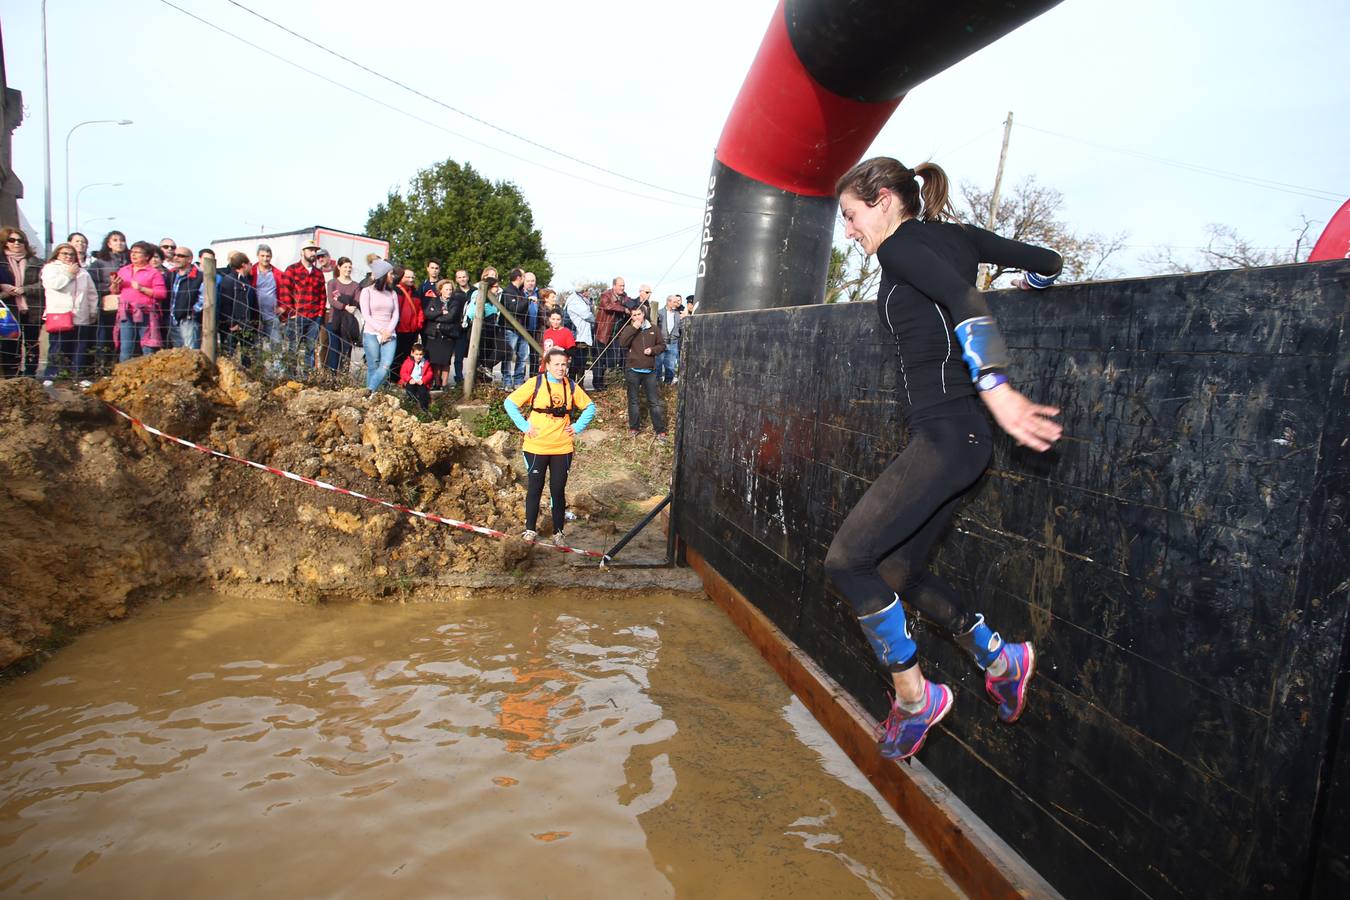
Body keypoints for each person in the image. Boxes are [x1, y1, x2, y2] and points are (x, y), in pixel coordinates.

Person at [825, 157, 1063, 761]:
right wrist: (1032, 288)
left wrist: (997, 385)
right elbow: (1049, 263)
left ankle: (914, 698)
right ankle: (1000, 658)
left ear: (882, 200)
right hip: (963, 443)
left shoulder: (898, 247)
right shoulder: (959, 238)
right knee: (900, 573)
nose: (849, 231)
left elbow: (962, 297)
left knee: (849, 562)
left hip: (946, 433)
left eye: (851, 216)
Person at [504, 348, 597, 546]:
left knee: (557, 490)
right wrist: (524, 426)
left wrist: (578, 426)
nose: (560, 368)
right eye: (556, 364)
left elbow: (590, 407)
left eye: (564, 364)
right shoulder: (535, 383)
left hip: (562, 447)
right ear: (547, 365)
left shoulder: (571, 386)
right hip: (536, 446)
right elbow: (510, 403)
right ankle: (530, 530)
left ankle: (558, 532)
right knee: (535, 488)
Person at [39, 242, 98, 384]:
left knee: (80, 347)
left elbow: (92, 293)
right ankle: (51, 376)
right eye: (65, 253)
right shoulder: (50, 268)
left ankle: (78, 376)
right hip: (60, 314)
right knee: (58, 346)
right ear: (57, 254)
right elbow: (54, 285)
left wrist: (93, 311)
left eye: (72, 254)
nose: (69, 257)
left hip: (81, 315)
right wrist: (69, 273)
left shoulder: (83, 272)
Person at [616, 305, 668, 439]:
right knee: (633, 400)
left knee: (654, 401)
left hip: (649, 370)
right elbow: (622, 343)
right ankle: (634, 428)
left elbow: (662, 345)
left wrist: (652, 350)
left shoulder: (654, 329)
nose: (636, 317)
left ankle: (660, 431)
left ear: (644, 314)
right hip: (632, 369)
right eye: (633, 315)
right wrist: (634, 328)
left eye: (639, 314)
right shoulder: (630, 329)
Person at [114, 241, 168, 361]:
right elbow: (115, 291)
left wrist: (141, 288)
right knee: (126, 347)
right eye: (132, 252)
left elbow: (161, 294)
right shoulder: (123, 270)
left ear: (147, 256)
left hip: (146, 313)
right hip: (126, 312)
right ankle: (124, 375)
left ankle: (149, 375)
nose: (133, 255)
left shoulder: (154, 273)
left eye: (138, 252)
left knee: (148, 347)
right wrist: (114, 285)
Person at [1, 227, 43, 378]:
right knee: (11, 343)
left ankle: (31, 374)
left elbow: (43, 284)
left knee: (32, 342)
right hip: (8, 309)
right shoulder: (1, 262)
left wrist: (24, 289)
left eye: (20, 240)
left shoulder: (37, 263)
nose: (16, 243)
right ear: (5, 243)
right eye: (12, 240)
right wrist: (5, 291)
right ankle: (12, 374)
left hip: (32, 308)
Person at [281, 240, 327, 374]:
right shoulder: (292, 270)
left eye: (315, 250)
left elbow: (322, 296)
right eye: (310, 250)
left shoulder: (318, 273)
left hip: (313, 318)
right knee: (292, 350)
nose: (313, 253)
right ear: (302, 252)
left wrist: (320, 315)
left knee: (310, 351)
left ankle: (308, 379)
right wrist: (291, 313)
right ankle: (290, 379)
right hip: (297, 318)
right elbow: (285, 293)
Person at [86, 230, 128, 373]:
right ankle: (103, 366)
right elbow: (91, 284)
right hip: (108, 306)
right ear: (109, 243)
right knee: (105, 336)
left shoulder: (130, 260)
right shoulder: (99, 262)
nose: (119, 243)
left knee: (124, 338)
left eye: (122, 240)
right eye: (115, 240)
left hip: (127, 305)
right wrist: (108, 288)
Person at [359, 259, 399, 392]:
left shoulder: (392, 293)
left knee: (386, 365)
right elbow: (366, 315)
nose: (393, 276)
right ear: (383, 274)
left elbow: (395, 314)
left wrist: (388, 331)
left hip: (390, 333)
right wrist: (381, 330)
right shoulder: (367, 291)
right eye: (391, 273)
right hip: (371, 333)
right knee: (373, 366)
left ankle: (369, 390)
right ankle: (371, 397)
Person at [593, 276, 633, 391]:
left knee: (612, 360)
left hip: (616, 335)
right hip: (603, 333)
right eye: (620, 285)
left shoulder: (624, 296)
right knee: (599, 360)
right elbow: (607, 306)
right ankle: (597, 384)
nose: (622, 287)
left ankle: (608, 382)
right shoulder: (606, 295)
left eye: (623, 285)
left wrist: (633, 307)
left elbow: (632, 304)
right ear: (614, 286)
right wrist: (624, 309)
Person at [217, 252, 258, 364]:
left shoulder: (245, 281)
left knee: (247, 357)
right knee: (228, 357)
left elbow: (252, 304)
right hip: (232, 327)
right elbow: (225, 304)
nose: (251, 266)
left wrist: (255, 323)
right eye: (250, 263)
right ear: (244, 265)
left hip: (246, 325)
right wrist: (231, 323)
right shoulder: (229, 280)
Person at [252, 244, 286, 371]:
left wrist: (282, 307)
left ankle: (278, 372)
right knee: (256, 346)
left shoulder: (277, 273)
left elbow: (285, 291)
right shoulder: (251, 272)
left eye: (268, 256)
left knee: (276, 345)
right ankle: (257, 371)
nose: (265, 259)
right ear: (258, 256)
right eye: (262, 256)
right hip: (255, 315)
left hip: (271, 315)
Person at [325, 256, 361, 375]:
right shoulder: (333, 283)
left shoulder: (355, 285)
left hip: (348, 323)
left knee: (346, 350)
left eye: (350, 267)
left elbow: (356, 301)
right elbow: (332, 300)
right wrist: (345, 306)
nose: (348, 269)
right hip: (334, 321)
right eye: (345, 266)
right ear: (339, 267)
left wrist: (344, 301)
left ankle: (343, 376)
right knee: (334, 350)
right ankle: (332, 376)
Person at [422, 278, 460, 388]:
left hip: (448, 335)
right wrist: (441, 312)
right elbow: (428, 314)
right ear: (441, 290)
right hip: (434, 334)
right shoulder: (434, 301)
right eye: (446, 289)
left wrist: (436, 317)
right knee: (435, 361)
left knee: (445, 361)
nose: (449, 291)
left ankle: (444, 384)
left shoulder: (455, 302)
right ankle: (437, 383)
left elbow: (450, 317)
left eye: (450, 289)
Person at [498, 267, 532, 389]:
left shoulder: (520, 292)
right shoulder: (508, 291)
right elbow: (514, 309)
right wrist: (527, 301)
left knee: (522, 356)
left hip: (522, 329)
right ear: (519, 278)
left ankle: (518, 381)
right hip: (510, 329)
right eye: (523, 277)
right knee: (508, 355)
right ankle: (506, 381)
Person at [166, 247, 204, 349]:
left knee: (190, 353)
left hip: (188, 321)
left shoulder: (199, 276)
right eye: (175, 255)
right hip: (171, 320)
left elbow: (203, 299)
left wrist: (191, 314)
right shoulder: (170, 275)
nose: (176, 258)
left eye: (181, 256)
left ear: (189, 259)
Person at [392, 265, 425, 376]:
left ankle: (401, 378)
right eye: (408, 277)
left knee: (406, 356)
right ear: (401, 277)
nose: (411, 279)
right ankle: (392, 378)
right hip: (398, 329)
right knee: (395, 355)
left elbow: (419, 309)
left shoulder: (415, 292)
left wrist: (419, 323)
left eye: (412, 277)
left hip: (411, 330)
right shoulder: (396, 290)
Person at [564, 286, 595, 385]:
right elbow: (587, 315)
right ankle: (572, 383)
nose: (588, 292)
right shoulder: (575, 301)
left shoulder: (582, 300)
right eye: (587, 290)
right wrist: (596, 320)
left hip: (582, 335)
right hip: (579, 335)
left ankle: (578, 384)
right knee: (578, 361)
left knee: (581, 361)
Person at [656, 293, 686, 384]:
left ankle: (668, 385)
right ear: (669, 302)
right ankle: (657, 384)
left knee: (670, 365)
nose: (677, 304)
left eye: (678, 302)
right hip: (661, 342)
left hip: (673, 342)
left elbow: (682, 327)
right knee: (658, 364)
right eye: (675, 302)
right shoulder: (659, 313)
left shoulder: (678, 314)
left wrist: (685, 318)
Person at [398, 342, 435, 411]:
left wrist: (423, 380)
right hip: (410, 381)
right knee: (410, 390)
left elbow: (430, 374)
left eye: (420, 354)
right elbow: (403, 372)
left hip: (421, 382)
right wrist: (409, 379)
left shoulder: (426, 363)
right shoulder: (407, 362)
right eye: (416, 354)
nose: (418, 356)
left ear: (423, 354)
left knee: (423, 393)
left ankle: (424, 408)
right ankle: (411, 406)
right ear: (412, 353)